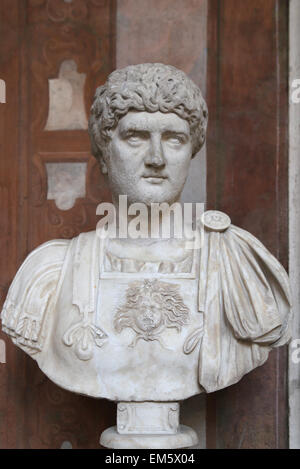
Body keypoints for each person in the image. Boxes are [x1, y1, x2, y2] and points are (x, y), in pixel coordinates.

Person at [1, 63, 291, 400]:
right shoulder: (51, 273)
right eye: (136, 137)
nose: (156, 158)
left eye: (174, 139)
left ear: (190, 153)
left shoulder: (236, 262)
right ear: (105, 152)